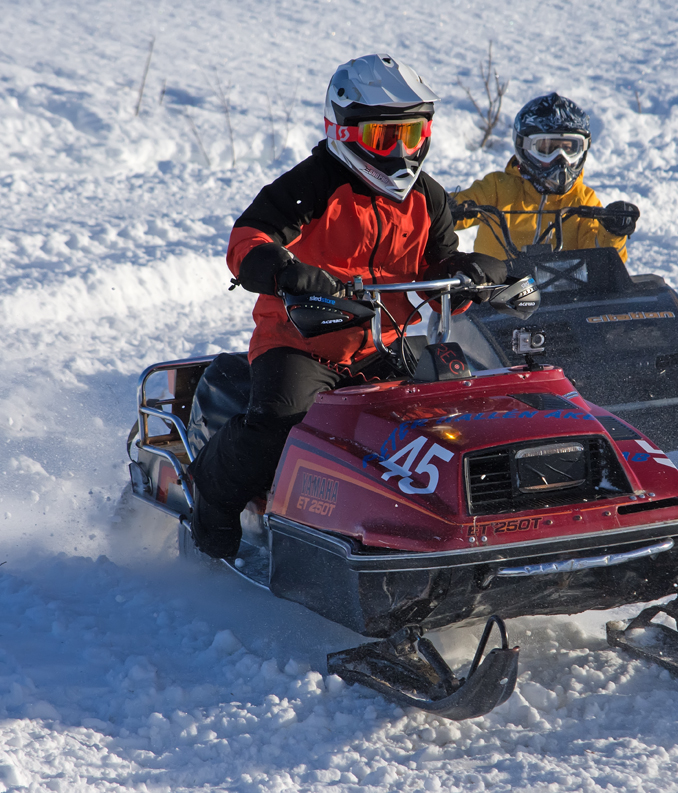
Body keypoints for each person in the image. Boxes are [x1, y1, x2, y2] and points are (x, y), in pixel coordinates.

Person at [187, 54, 506, 559]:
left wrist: (470, 276)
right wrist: (284, 270)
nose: (401, 151)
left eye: (413, 134)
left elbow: (439, 265)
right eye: (384, 137)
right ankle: (209, 504)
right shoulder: (311, 185)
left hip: (385, 343)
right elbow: (246, 239)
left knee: (452, 419)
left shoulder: (428, 197)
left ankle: (452, 531)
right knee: (280, 423)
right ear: (344, 131)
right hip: (302, 343)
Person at [451, 93, 638, 262]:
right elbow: (456, 209)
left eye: (569, 149)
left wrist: (613, 232)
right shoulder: (497, 188)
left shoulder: (583, 201)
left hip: (565, 295)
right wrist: (447, 209)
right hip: (496, 292)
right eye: (547, 149)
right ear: (524, 147)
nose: (560, 159)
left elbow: (602, 262)